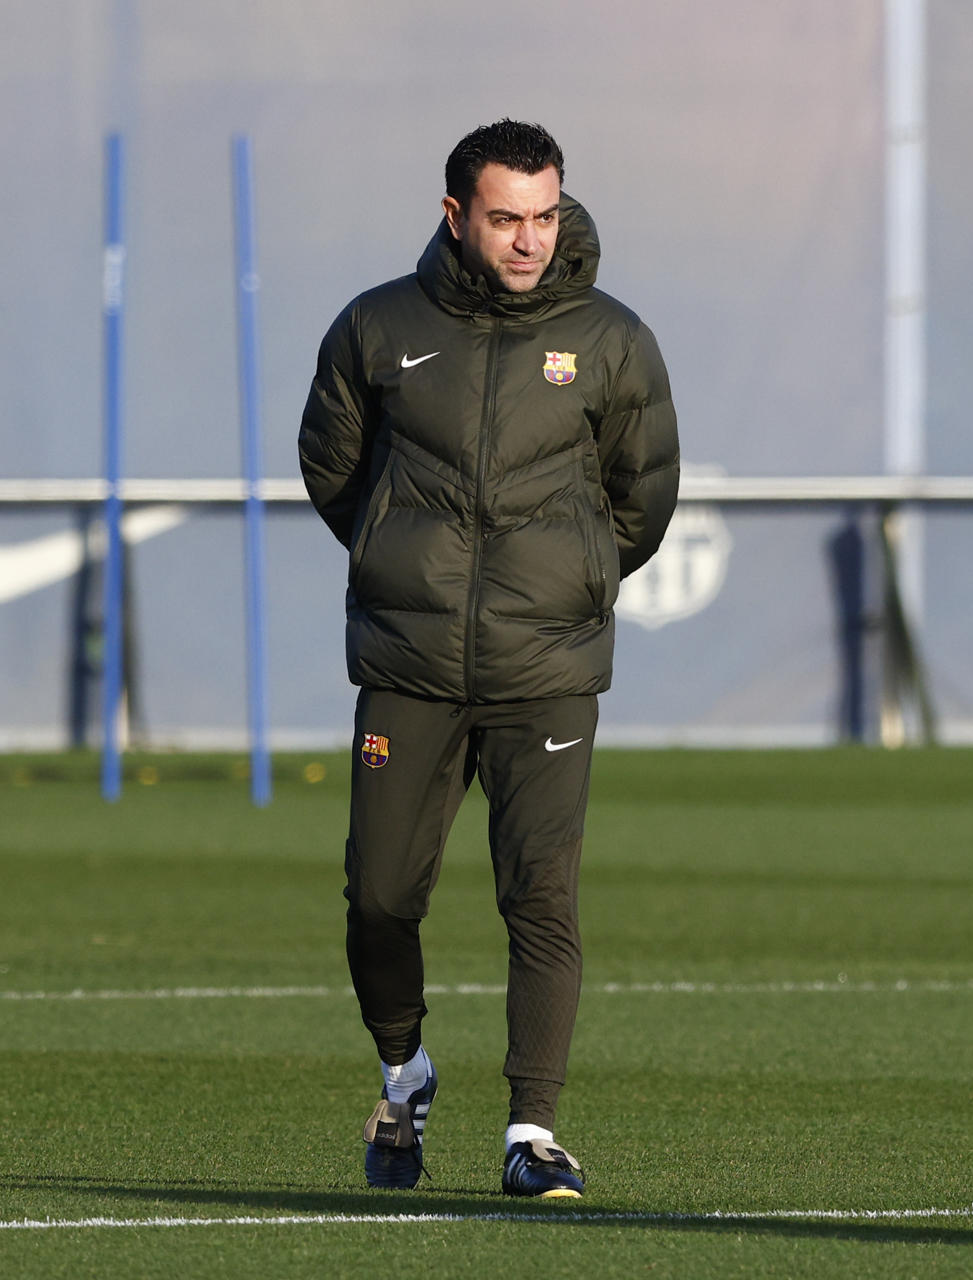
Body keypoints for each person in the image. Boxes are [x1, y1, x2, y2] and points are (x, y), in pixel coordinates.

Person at [298, 119, 679, 1198]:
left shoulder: (610, 338)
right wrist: (406, 557)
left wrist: (569, 579)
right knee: (377, 898)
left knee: (541, 898)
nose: (528, 239)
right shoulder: (376, 326)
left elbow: (642, 495)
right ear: (456, 213)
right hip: (409, 661)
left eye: (545, 215)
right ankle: (402, 1070)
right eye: (506, 217)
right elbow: (333, 468)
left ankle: (532, 1130)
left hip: (545, 667)